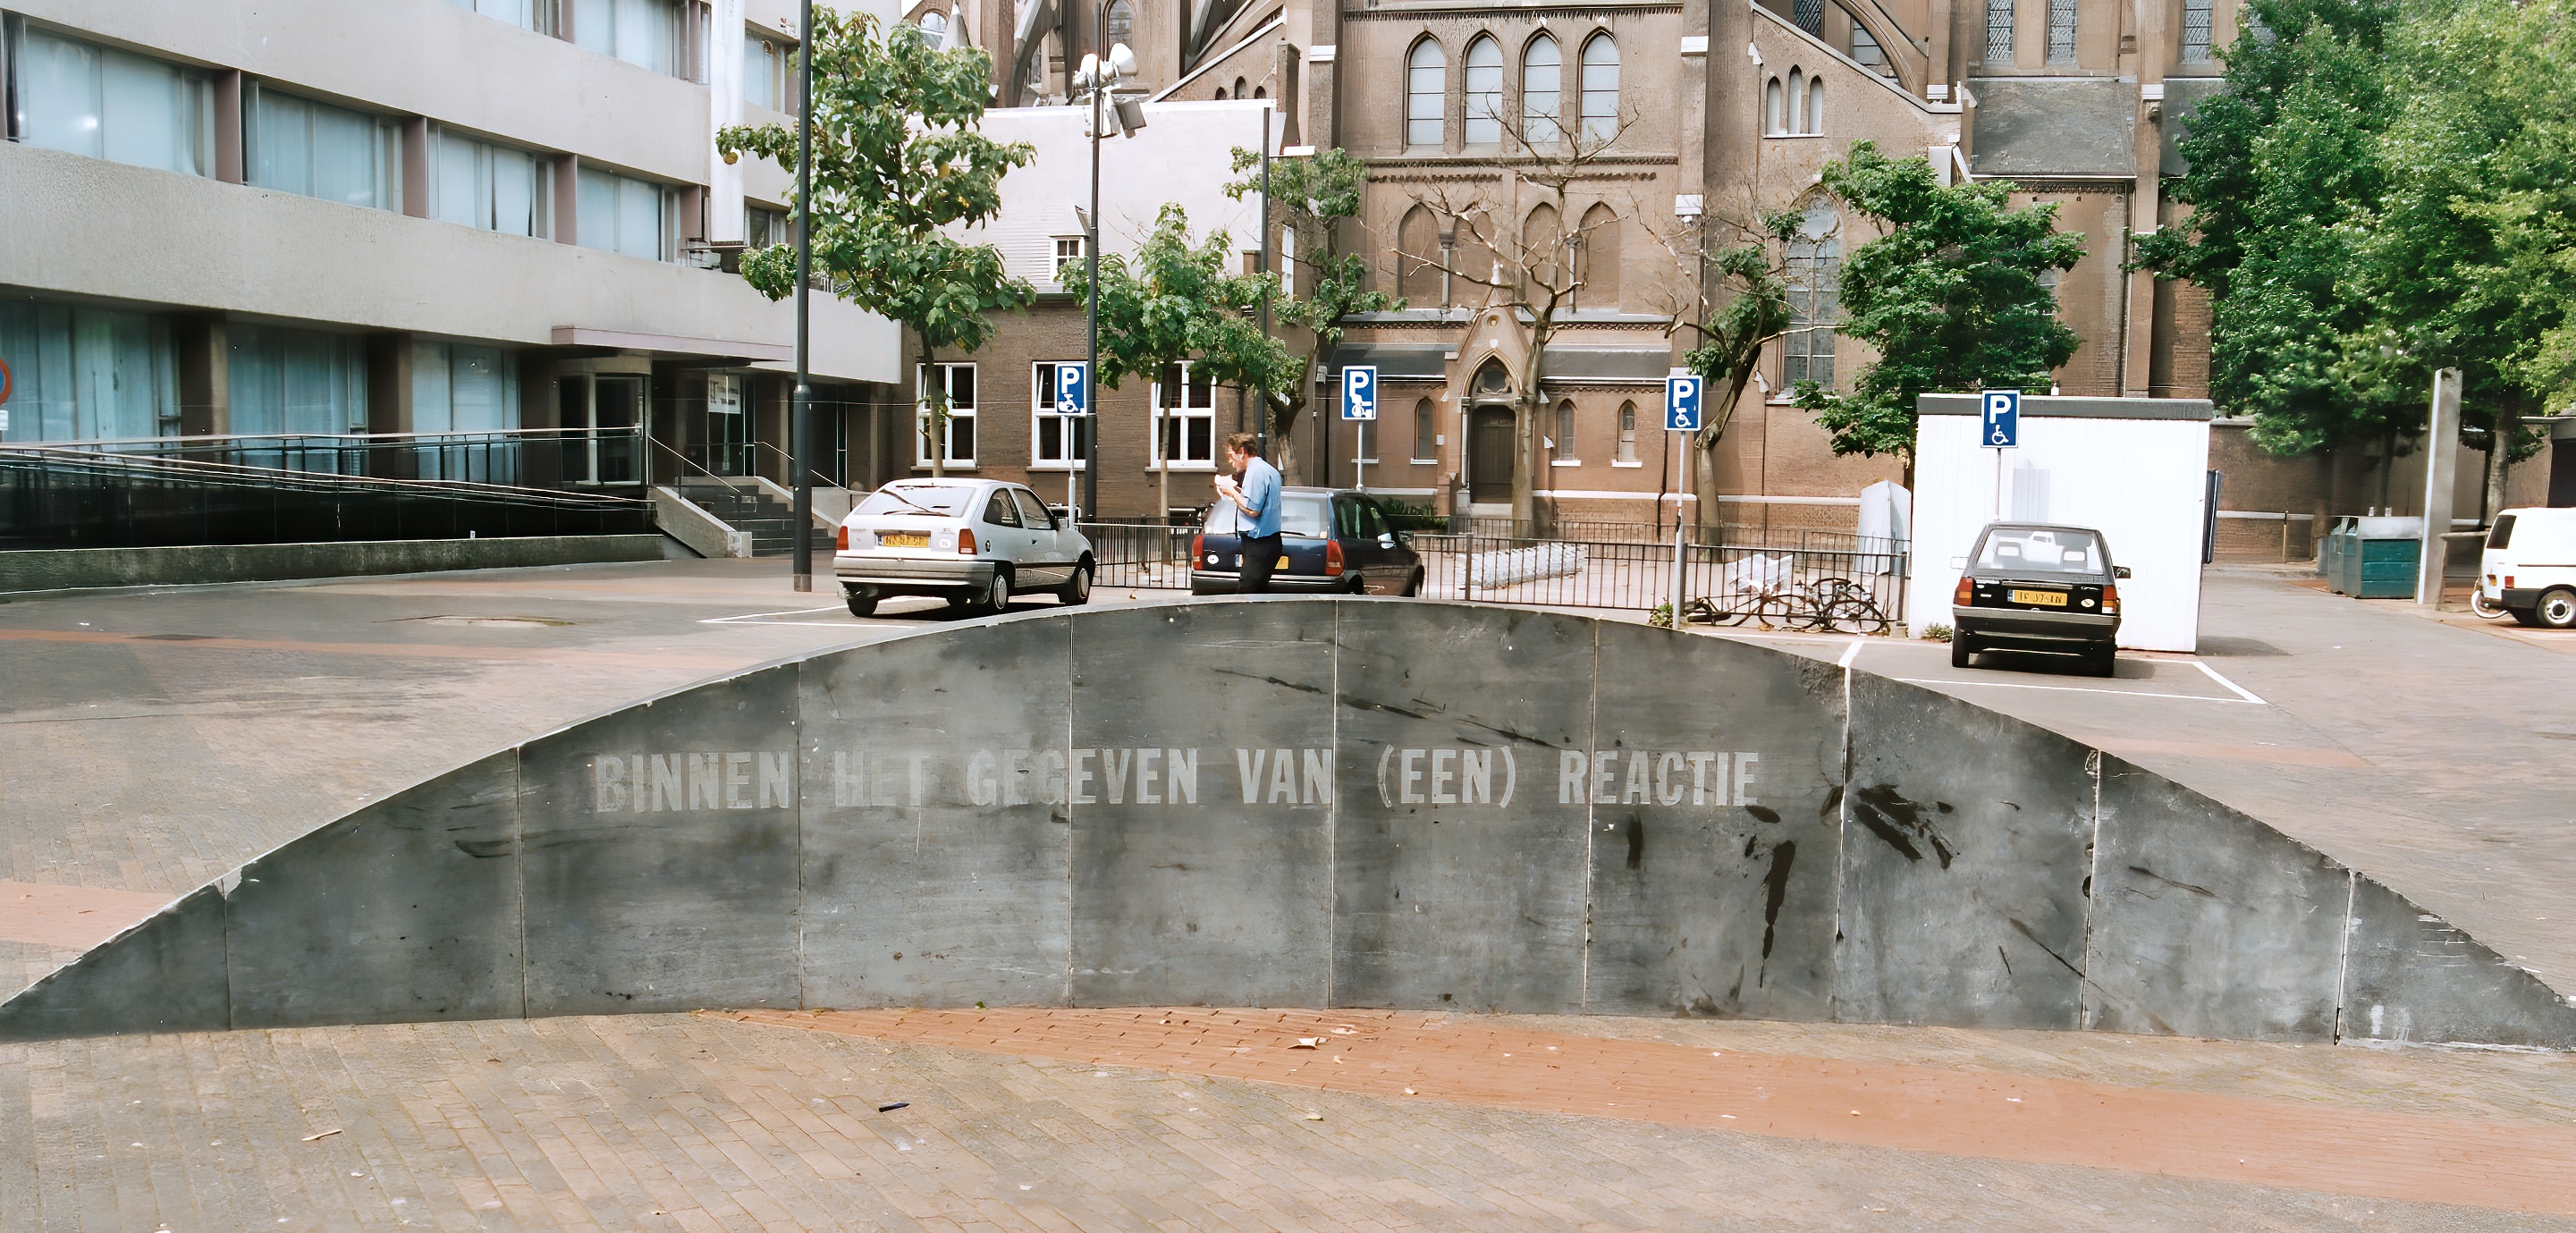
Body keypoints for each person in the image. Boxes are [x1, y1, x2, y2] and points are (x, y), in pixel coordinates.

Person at [1214, 432, 1282, 594]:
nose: (1230, 461)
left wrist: (1231, 492)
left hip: (1259, 542)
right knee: (1258, 592)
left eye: (1231, 455)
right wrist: (1238, 492)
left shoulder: (1256, 471)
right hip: (1268, 541)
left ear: (1242, 452)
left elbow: (1253, 509)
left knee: (1247, 593)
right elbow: (1257, 501)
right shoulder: (1268, 469)